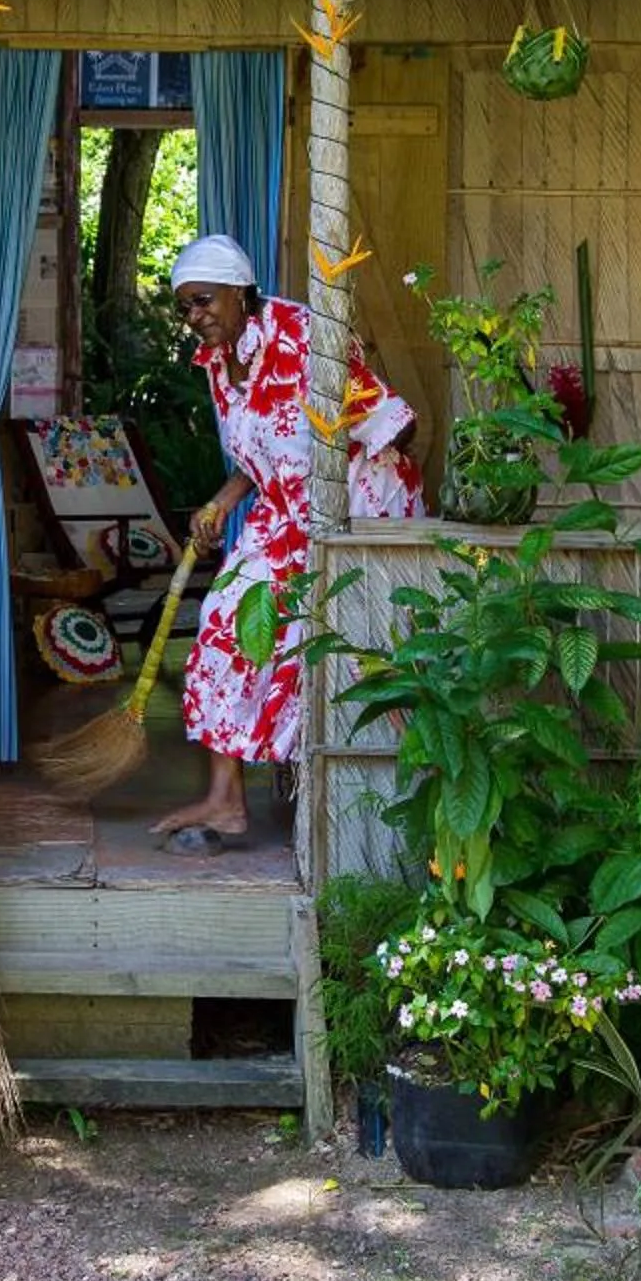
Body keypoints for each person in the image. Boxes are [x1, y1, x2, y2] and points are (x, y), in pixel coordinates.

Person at [160, 233, 424, 852]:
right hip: (281, 516)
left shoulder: (305, 337)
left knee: (324, 641)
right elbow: (260, 456)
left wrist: (354, 492)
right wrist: (220, 504)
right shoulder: (218, 364)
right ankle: (226, 800)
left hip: (348, 511)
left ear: (239, 291)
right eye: (184, 308)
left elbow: (399, 425)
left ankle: (353, 802)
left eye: (202, 301)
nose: (195, 317)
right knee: (224, 619)